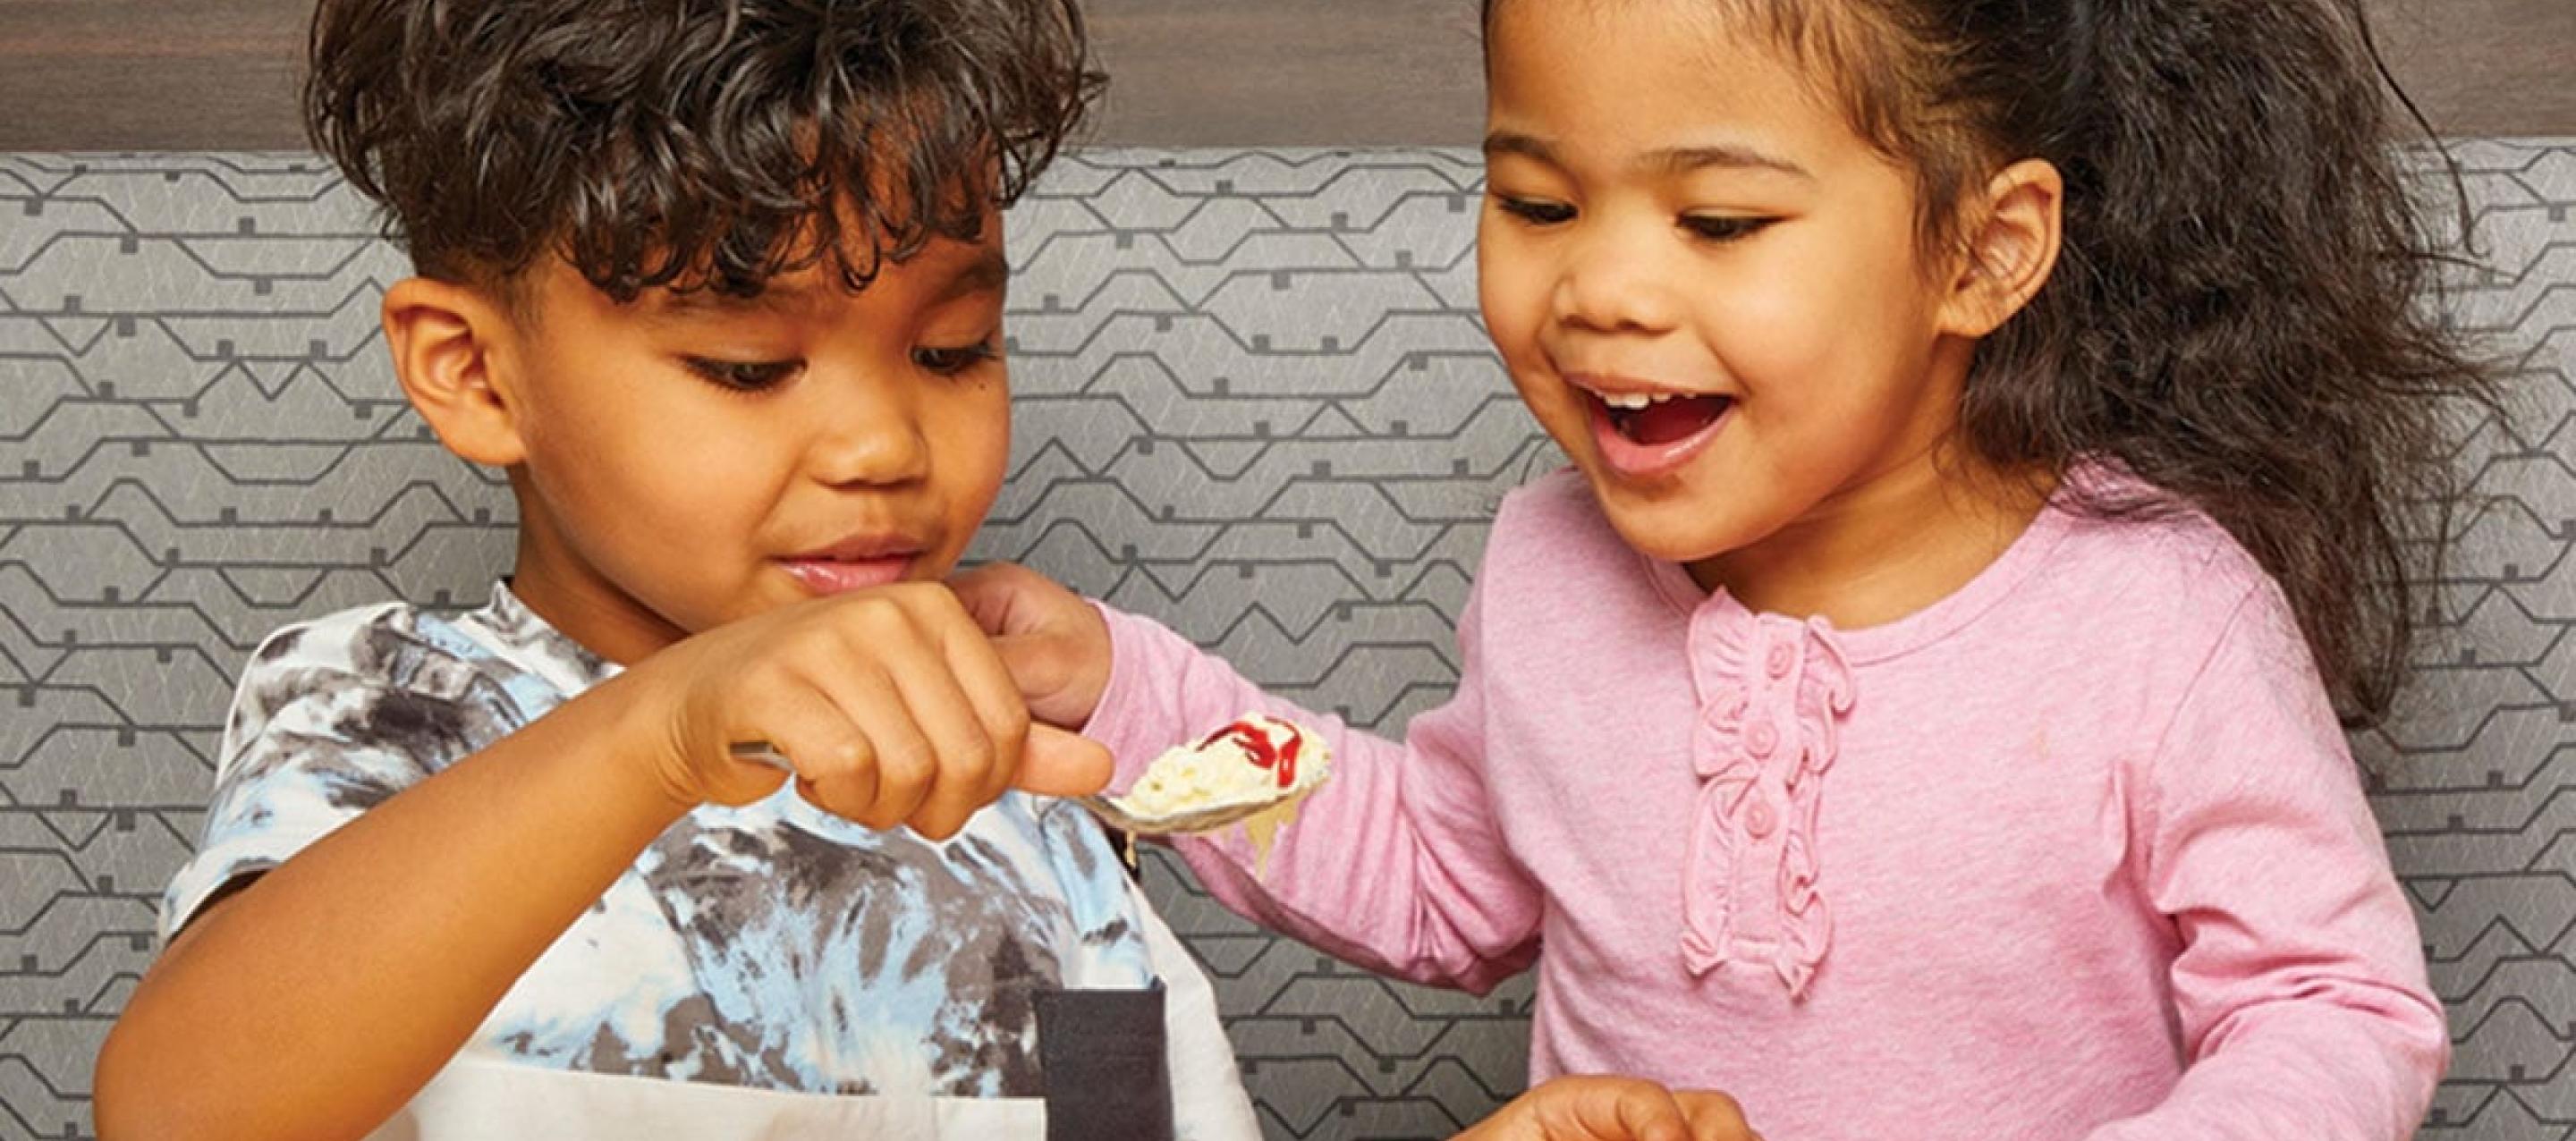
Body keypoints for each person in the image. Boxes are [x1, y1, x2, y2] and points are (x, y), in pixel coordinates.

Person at [954, 0, 2493, 1136]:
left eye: (1719, 219)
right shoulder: (1551, 569)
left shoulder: (2159, 618)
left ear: (1983, 251)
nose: (1602, 289)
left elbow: (2335, 1007)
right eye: (1537, 203)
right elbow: (1435, 869)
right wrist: (1127, 694)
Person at [91, 1, 1265, 1137]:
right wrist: (663, 730)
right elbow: (176, 1115)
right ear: (478, 375)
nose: (884, 447)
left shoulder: (1025, 772)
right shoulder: (398, 708)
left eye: (950, 352)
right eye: (748, 367)